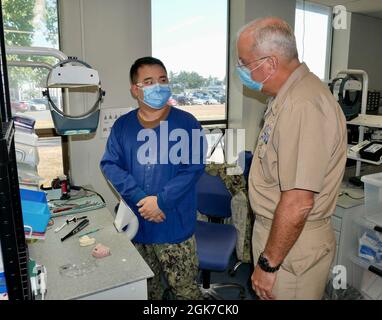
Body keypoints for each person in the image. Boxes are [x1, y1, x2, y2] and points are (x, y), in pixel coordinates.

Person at [236, 17, 347, 300]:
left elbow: (298, 202)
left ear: (270, 64)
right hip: (282, 238)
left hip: (290, 251)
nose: (241, 70)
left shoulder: (302, 104)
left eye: (244, 63)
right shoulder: (287, 98)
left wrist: (268, 263)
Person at [100, 57, 206, 300]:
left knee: (186, 292)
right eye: (149, 81)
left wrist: (160, 201)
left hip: (173, 227)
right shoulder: (123, 127)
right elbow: (110, 165)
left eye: (163, 80)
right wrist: (140, 198)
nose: (158, 86)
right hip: (139, 227)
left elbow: (192, 168)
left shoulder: (186, 123)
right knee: (147, 292)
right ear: (135, 89)